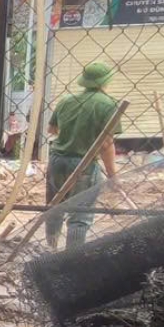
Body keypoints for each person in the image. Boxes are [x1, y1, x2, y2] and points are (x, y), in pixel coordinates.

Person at [47, 62, 121, 251]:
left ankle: (50, 249)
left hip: (57, 160)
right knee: (80, 215)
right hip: (84, 163)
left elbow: (52, 129)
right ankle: (72, 257)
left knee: (54, 208)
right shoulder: (108, 104)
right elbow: (106, 144)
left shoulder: (66, 100)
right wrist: (112, 175)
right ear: (106, 81)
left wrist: (72, 134)